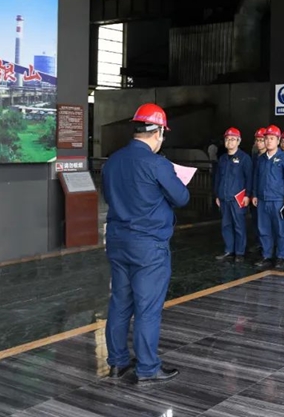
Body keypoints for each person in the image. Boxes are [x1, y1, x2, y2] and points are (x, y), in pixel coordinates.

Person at [102, 103, 190, 384]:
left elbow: (110, 196)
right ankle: (148, 368)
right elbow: (182, 198)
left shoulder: (112, 161)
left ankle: (117, 363)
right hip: (148, 246)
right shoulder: (157, 164)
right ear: (158, 132)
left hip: (118, 241)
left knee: (120, 303)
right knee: (147, 307)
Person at [252, 125, 284, 269]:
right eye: (266, 138)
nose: (268, 141)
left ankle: (281, 256)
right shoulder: (261, 159)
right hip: (262, 199)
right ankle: (266, 255)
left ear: (278, 140)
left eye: (272, 138)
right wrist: (255, 194)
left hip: (278, 200)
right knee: (263, 229)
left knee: (279, 229)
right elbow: (256, 177)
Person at [213, 127, 252, 262]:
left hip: (237, 198)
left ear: (238, 141)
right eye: (227, 139)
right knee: (226, 225)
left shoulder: (244, 158)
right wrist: (217, 195)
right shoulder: (222, 159)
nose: (229, 142)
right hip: (224, 197)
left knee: (239, 225)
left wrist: (247, 195)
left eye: (233, 139)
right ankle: (229, 250)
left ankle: (240, 252)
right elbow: (218, 178)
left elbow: (249, 178)